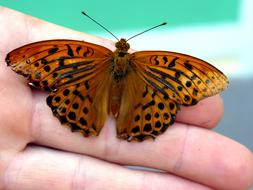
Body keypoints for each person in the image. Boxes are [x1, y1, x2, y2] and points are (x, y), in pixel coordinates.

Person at [0, 7, 252, 190]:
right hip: (136, 97)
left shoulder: (84, 53)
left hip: (100, 90)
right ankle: (123, 124)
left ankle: (99, 121)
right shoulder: (155, 62)